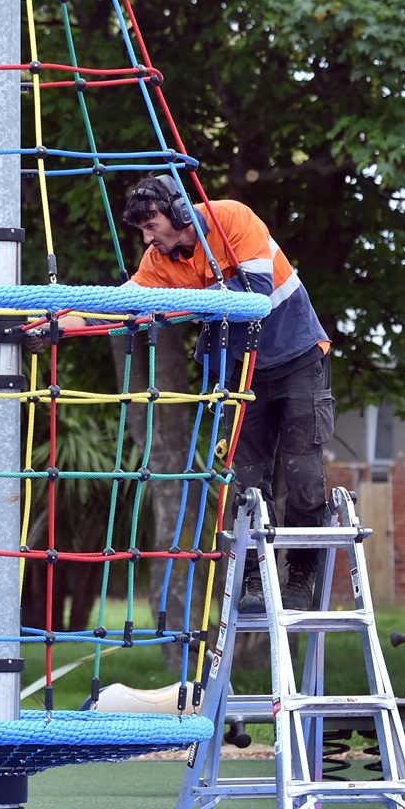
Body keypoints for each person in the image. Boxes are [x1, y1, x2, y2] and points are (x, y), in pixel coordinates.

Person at [119, 175, 334, 612]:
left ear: (178, 213)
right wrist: (56, 324)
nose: (146, 237)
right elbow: (117, 302)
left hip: (296, 356)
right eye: (140, 229)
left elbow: (255, 297)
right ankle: (254, 577)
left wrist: (186, 300)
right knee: (247, 480)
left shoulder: (232, 218)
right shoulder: (158, 261)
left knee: (302, 474)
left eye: (151, 225)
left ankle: (301, 573)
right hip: (242, 368)